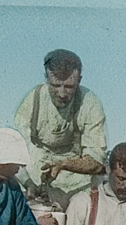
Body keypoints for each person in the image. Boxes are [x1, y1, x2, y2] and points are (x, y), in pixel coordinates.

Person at [13, 48, 106, 208]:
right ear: (46, 78)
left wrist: (63, 164)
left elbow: (96, 162)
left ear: (79, 80)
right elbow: (14, 151)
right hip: (35, 175)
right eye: (56, 85)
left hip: (76, 181)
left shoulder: (90, 103)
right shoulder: (32, 101)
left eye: (69, 87)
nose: (62, 94)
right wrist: (28, 183)